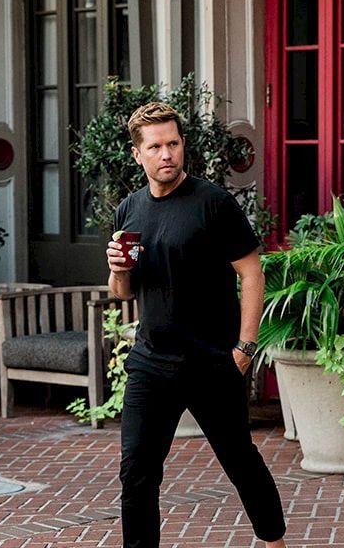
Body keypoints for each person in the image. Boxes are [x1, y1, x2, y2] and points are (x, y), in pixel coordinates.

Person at [107, 101, 288, 548]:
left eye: (173, 143)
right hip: (151, 363)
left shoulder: (214, 203)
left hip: (210, 362)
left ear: (183, 145)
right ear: (138, 155)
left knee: (239, 461)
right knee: (136, 472)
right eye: (155, 146)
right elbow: (123, 293)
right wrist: (116, 269)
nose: (166, 153)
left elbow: (251, 272)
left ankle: (275, 542)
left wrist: (246, 347)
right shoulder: (129, 211)